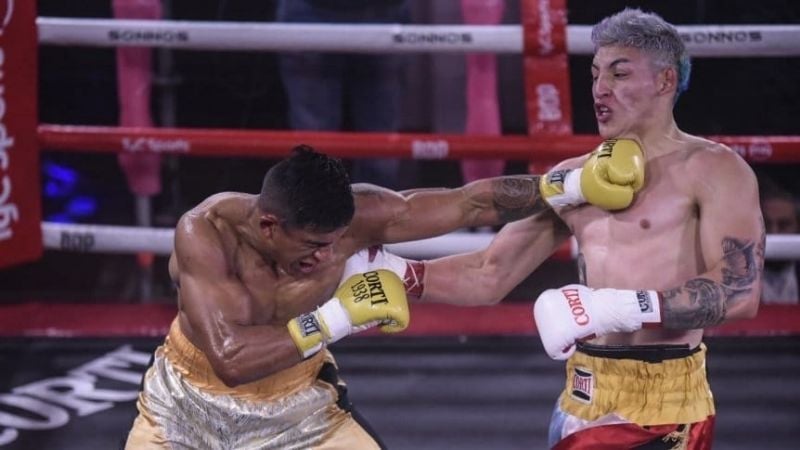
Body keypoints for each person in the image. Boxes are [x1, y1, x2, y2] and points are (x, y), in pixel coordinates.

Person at [390, 8, 764, 449]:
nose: (601, 88)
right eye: (595, 74)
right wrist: (392, 274)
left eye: (619, 74)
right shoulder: (575, 177)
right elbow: (488, 272)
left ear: (665, 81)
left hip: (667, 404)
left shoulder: (714, 169)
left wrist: (613, 309)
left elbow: (739, 293)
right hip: (582, 396)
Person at [124, 142, 639, 448]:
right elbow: (231, 359)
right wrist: (338, 316)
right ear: (268, 225)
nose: (329, 257)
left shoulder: (357, 219)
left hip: (298, 405)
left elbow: (469, 204)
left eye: (335, 243)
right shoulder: (206, 234)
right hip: (186, 410)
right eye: (313, 246)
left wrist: (568, 186)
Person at [275, 0, 409, 190]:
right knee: (314, 146)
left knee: (380, 150)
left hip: (385, 13)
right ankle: (317, 208)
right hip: (310, 13)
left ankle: (373, 210)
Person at [759, 176, 799, 304]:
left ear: (798, 226)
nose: (774, 232)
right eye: (766, 223)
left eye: (784, 224)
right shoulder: (738, 276)